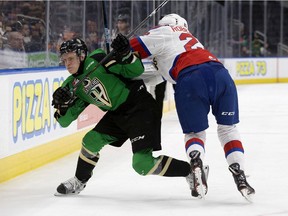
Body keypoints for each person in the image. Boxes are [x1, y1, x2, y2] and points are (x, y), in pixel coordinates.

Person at [130, 14, 255, 200]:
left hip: (190, 79)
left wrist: (117, 48)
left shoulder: (165, 31)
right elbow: (159, 75)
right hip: (220, 74)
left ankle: (196, 161)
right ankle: (239, 172)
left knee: (195, 133)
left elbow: (132, 47)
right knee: (228, 129)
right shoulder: (188, 41)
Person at [52, 36, 195, 196]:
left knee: (142, 165)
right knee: (91, 140)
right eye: (64, 60)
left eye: (71, 58)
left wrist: (126, 54)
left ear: (82, 55)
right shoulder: (71, 85)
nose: (67, 64)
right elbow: (64, 121)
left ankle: (191, 171)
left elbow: (136, 70)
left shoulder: (99, 59)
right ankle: (79, 181)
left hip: (139, 106)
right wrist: (63, 105)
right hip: (117, 113)